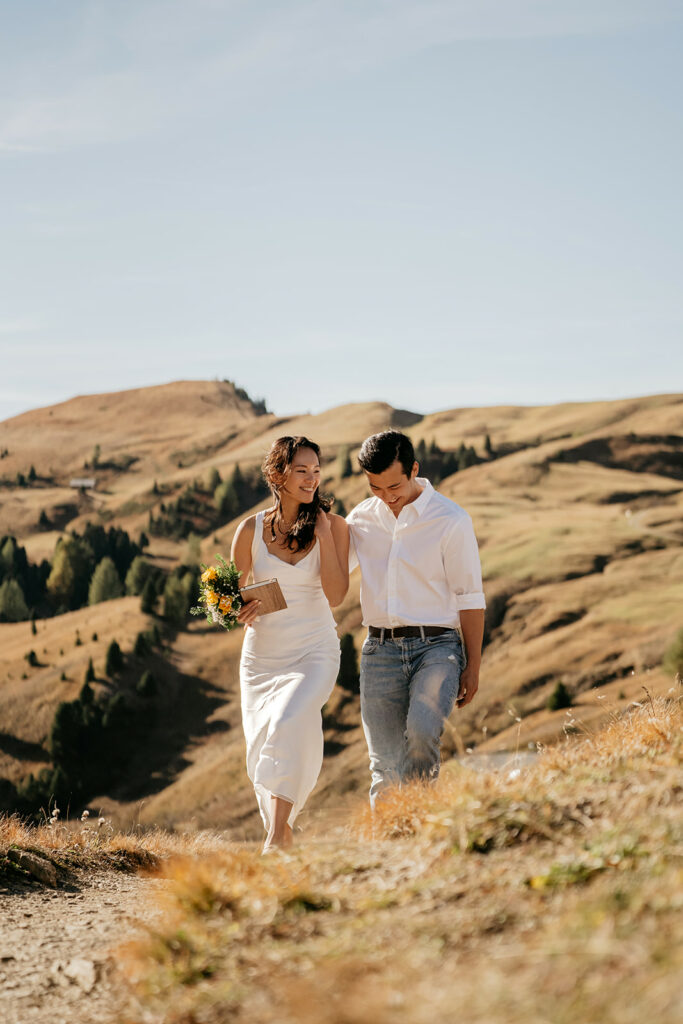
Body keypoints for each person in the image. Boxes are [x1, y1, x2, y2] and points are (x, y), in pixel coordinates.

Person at [346, 430, 485, 806]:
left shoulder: (450, 519)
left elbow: (470, 597)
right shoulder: (361, 519)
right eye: (376, 488)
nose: (388, 497)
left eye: (394, 486)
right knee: (386, 763)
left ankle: (419, 823)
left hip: (438, 648)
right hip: (380, 652)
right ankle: (390, 844)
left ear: (414, 470)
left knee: (423, 734)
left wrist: (473, 667)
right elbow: (328, 574)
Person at [231, 436, 349, 851]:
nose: (312, 479)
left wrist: (325, 534)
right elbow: (231, 598)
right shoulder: (250, 529)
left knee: (287, 721)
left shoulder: (334, 526)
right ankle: (284, 833)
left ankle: (276, 836)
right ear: (277, 474)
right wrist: (237, 610)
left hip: (315, 650)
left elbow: (336, 595)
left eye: (316, 471)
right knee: (267, 738)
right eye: (302, 471)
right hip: (262, 657)